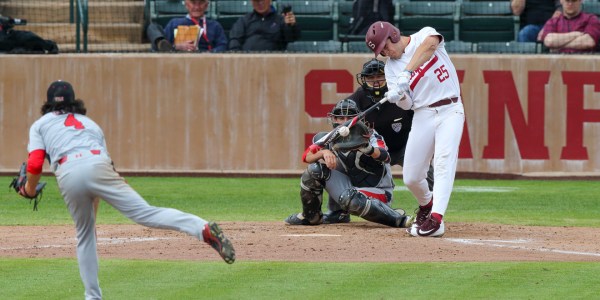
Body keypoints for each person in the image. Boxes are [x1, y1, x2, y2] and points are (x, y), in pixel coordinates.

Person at [19, 80, 235, 299]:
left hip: (68, 170)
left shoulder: (41, 124)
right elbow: (104, 166)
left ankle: (92, 297)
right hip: (99, 165)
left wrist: (29, 189)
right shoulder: (90, 124)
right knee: (146, 213)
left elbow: (35, 164)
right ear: (74, 101)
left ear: (47, 103)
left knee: (85, 235)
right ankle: (202, 228)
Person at [365, 21, 465, 237]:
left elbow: (430, 45)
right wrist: (398, 96)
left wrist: (407, 72)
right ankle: (426, 205)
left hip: (450, 108)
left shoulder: (424, 35)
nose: (384, 53)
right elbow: (408, 104)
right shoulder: (391, 69)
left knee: (443, 160)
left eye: (385, 47)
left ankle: (437, 218)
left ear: (393, 35)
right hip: (423, 113)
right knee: (411, 176)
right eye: (380, 51)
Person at [320, 59, 435, 224]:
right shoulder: (357, 99)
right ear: (364, 79)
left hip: (403, 146)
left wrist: (423, 144)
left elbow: (421, 118)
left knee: (425, 173)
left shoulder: (401, 94)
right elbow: (342, 120)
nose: (375, 81)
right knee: (341, 166)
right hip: (372, 149)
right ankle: (337, 211)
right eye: (370, 77)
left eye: (380, 77)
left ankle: (432, 210)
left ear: (388, 77)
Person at [284, 99, 412, 229]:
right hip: (349, 190)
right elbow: (307, 156)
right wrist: (324, 152)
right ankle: (311, 216)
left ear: (359, 118)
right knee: (314, 170)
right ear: (333, 119)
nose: (345, 121)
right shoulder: (329, 137)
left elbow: (385, 157)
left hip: (379, 192)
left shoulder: (370, 136)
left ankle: (399, 220)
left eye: (350, 117)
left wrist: (369, 149)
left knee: (349, 196)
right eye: (340, 117)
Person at [146, 0, 227, 52]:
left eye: (201, 3)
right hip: (177, 57)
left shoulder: (215, 26)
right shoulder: (174, 23)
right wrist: (175, 46)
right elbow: (165, 44)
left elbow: (223, 46)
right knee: (152, 27)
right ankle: (162, 43)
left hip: (204, 59)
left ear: (206, 6)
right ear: (186, 4)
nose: (197, 7)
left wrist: (207, 53)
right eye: (193, 2)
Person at [228, 0, 300, 52]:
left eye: (262, 1)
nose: (260, 3)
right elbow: (235, 40)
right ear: (251, 2)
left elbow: (291, 37)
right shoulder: (244, 20)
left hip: (274, 62)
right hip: (248, 63)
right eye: (256, 1)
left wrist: (291, 25)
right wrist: (237, 56)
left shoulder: (281, 20)